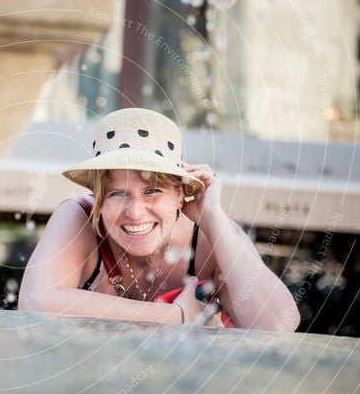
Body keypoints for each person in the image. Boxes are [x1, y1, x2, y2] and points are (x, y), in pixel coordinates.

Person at [18, 108, 299, 330]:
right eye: (117, 193)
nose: (135, 211)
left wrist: (213, 215)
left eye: (152, 191)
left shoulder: (211, 237)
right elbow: (33, 303)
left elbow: (277, 325)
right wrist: (172, 316)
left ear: (180, 194)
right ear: (98, 197)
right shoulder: (80, 217)